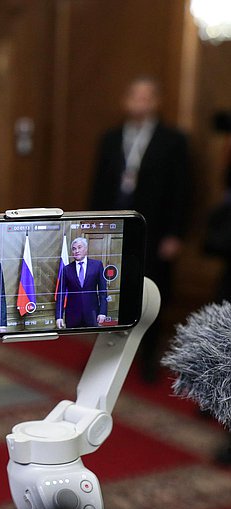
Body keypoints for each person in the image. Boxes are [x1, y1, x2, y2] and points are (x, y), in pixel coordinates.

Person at [90, 76, 192, 379]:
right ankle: (109, 353)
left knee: (151, 291)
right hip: (114, 226)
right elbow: (98, 186)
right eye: (134, 96)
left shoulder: (173, 140)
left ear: (156, 101)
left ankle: (147, 355)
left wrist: (176, 233)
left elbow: (182, 190)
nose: (139, 102)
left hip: (155, 228)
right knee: (110, 289)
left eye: (146, 97)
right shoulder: (110, 138)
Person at [55, 237, 108, 329]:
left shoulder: (97, 265)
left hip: (92, 313)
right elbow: (61, 294)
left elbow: (102, 291)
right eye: (74, 249)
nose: (77, 251)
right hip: (72, 315)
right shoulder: (66, 269)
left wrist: (102, 312)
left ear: (86, 249)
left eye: (79, 247)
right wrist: (59, 316)